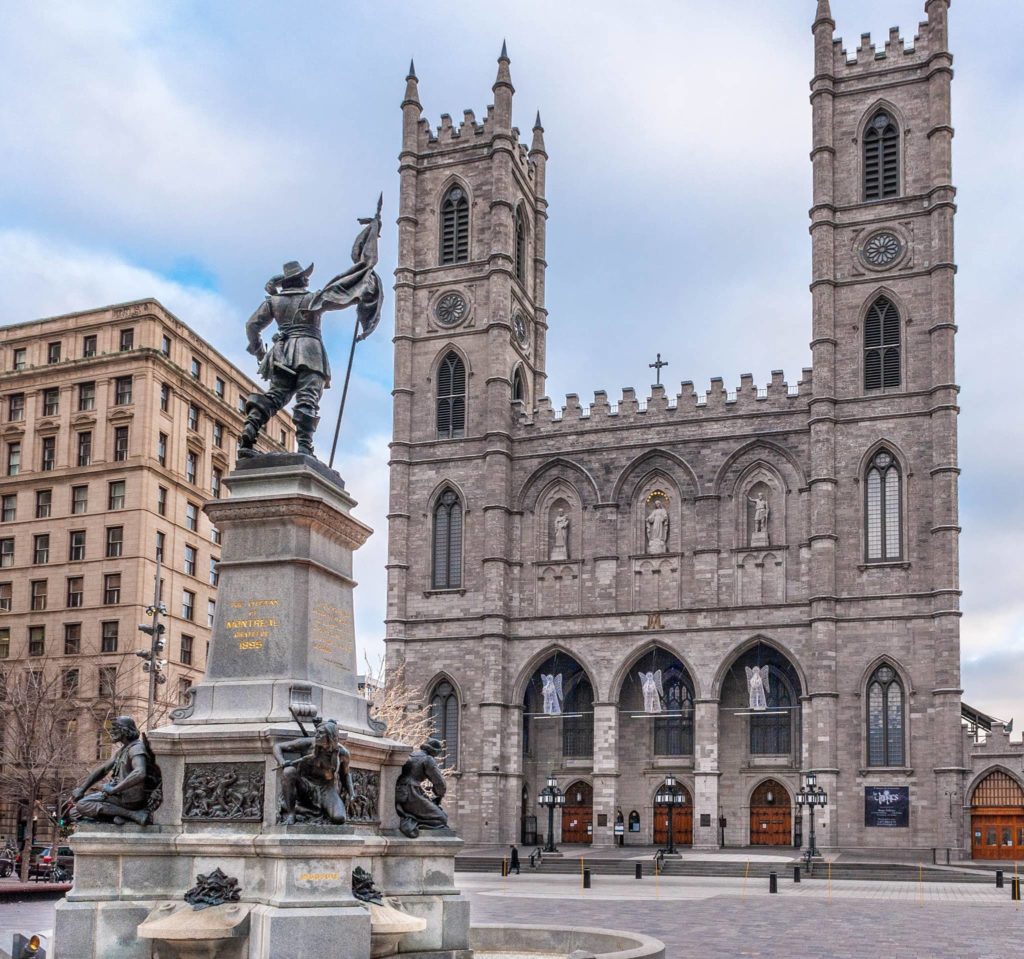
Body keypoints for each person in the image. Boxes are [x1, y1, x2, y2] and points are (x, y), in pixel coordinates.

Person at [240, 202, 384, 458]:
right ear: (303, 279)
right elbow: (344, 295)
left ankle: (249, 432)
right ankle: (305, 446)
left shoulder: (273, 302)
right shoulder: (313, 299)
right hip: (309, 351)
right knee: (307, 397)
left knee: (276, 395)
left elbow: (252, 326)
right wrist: (362, 288)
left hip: (281, 353)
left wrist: (259, 351)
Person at [68, 717, 160, 825]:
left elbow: (140, 772)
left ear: (125, 730)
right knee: (74, 812)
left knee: (82, 805)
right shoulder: (123, 749)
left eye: (114, 729)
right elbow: (102, 770)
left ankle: (133, 815)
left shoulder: (136, 748)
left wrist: (114, 789)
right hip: (118, 796)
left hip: (129, 799)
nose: (110, 731)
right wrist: (82, 789)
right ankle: (121, 816)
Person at [273, 719, 353, 825]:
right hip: (305, 785)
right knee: (288, 772)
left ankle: (306, 809)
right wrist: (282, 761)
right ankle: (291, 814)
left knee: (339, 818)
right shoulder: (309, 744)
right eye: (316, 732)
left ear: (329, 736)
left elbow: (345, 774)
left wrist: (352, 794)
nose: (316, 735)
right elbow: (277, 746)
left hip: (326, 789)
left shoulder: (342, 754)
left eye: (320, 733)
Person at [395, 739, 448, 838]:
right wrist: (439, 793)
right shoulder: (428, 759)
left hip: (400, 792)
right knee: (441, 818)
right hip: (411, 793)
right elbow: (439, 782)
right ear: (434, 751)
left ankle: (411, 819)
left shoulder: (410, 755)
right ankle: (409, 823)